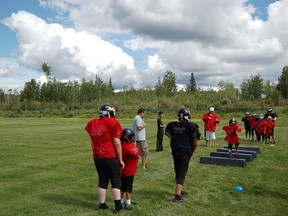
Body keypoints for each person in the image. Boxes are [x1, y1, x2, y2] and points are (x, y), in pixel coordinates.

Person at [85, 104, 126, 213]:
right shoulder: (112, 122)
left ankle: (102, 205)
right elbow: (117, 143)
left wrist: (95, 152)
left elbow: (92, 142)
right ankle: (118, 207)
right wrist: (121, 160)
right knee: (116, 181)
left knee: (102, 180)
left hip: (97, 156)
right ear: (110, 112)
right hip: (110, 155)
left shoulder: (92, 123)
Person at [165, 107, 199, 203]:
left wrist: (173, 150)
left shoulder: (172, 125)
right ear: (187, 116)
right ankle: (177, 197)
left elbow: (171, 141)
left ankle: (179, 191)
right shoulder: (191, 126)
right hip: (185, 151)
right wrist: (192, 151)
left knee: (178, 171)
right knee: (181, 174)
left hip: (176, 151)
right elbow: (195, 142)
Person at [120, 128, 140, 209]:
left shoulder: (119, 146)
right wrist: (134, 146)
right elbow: (137, 155)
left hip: (121, 170)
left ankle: (120, 201)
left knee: (121, 186)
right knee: (128, 187)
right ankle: (128, 201)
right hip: (129, 170)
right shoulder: (129, 147)